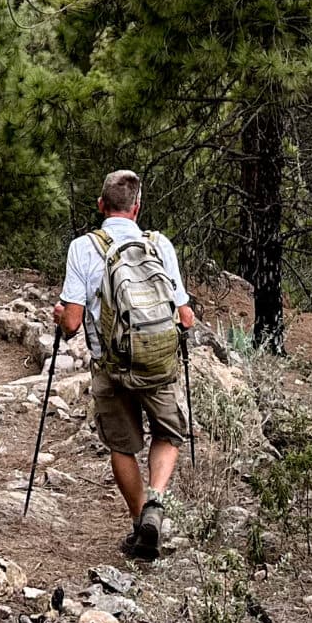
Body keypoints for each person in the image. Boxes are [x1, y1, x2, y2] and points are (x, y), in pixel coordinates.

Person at [54, 168, 197, 560]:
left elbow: (71, 323)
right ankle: (156, 501)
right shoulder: (159, 245)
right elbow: (185, 316)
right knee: (168, 434)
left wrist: (58, 315)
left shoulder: (82, 248)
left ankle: (139, 526)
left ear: (101, 206)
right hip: (158, 364)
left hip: (110, 366)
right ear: (137, 207)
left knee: (123, 446)